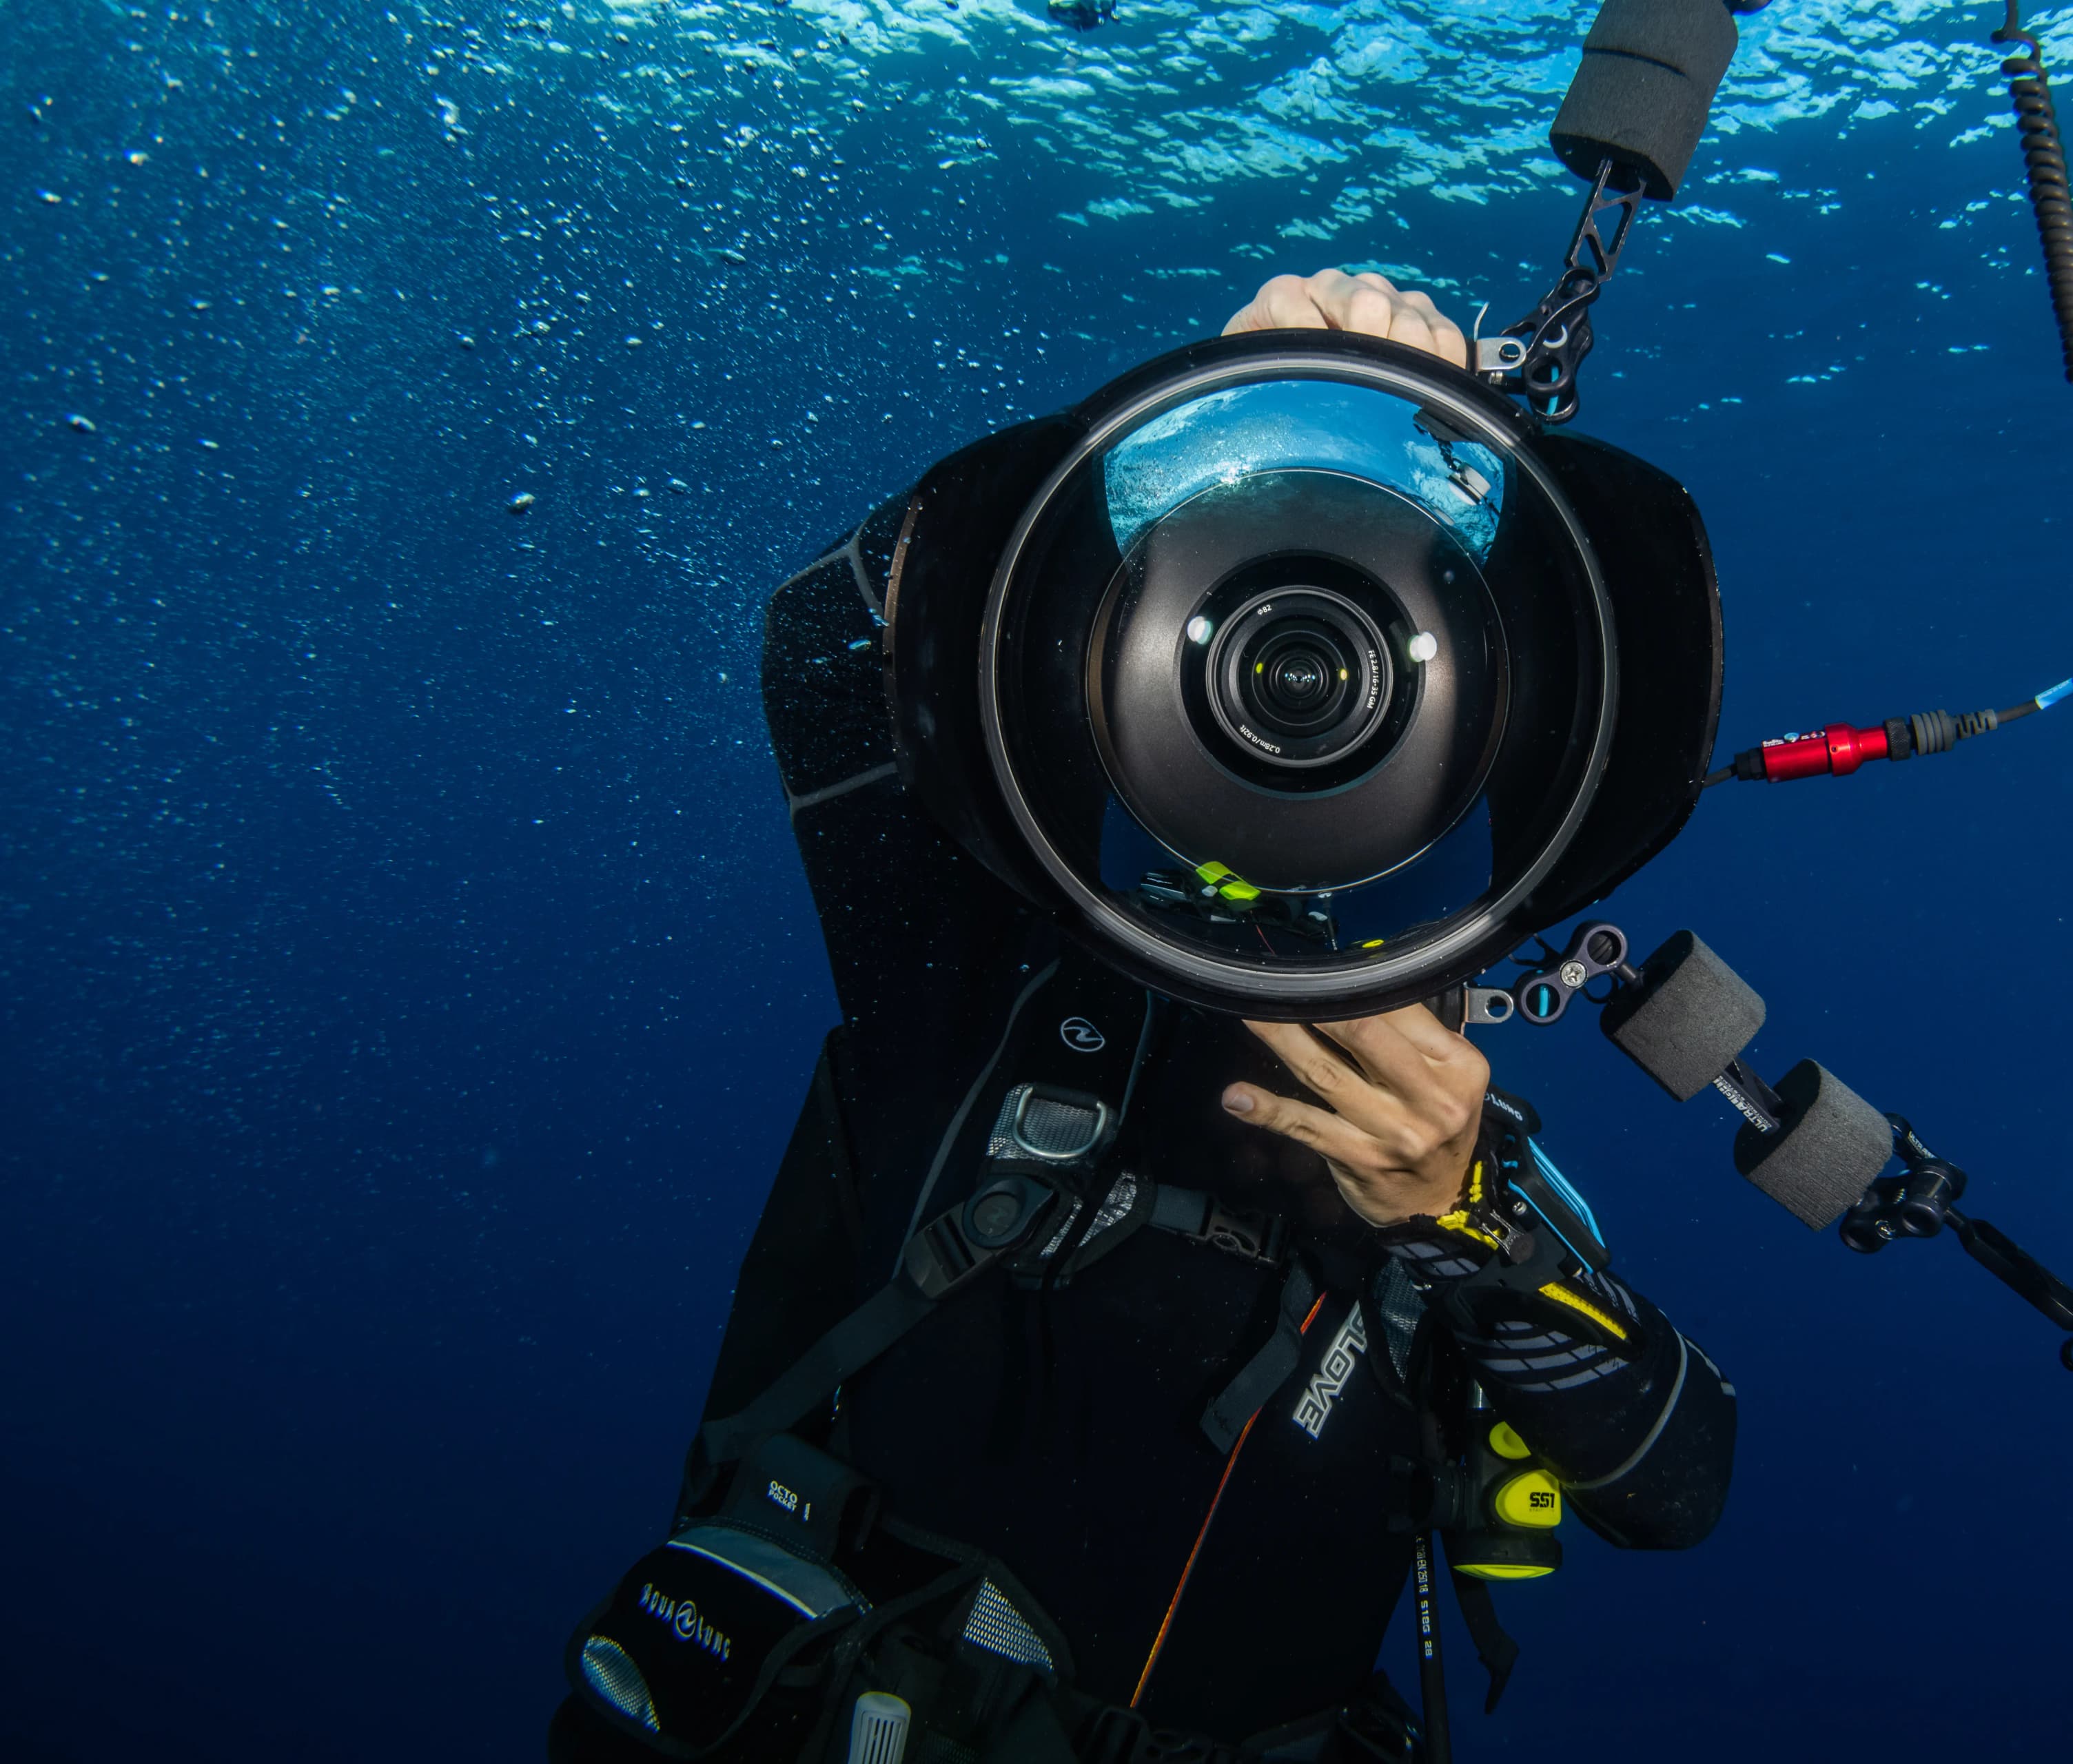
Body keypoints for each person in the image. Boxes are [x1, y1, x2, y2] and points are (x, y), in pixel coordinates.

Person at [553, 271, 1735, 1763]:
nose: (1310, 723)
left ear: (1492, 764)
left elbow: (1679, 1482)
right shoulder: (984, 976)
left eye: (1380, 703)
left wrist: (1460, 1223)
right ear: (1126, 676)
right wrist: (1176, 417)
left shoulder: (1464, 1157)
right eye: (1254, 664)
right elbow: (825, 645)